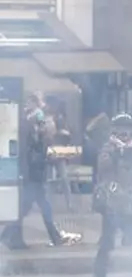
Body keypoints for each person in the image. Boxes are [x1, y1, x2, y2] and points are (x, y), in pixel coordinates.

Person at [0, 94, 81, 249]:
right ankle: (52, 237)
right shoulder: (30, 125)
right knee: (38, 206)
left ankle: (10, 236)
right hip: (34, 173)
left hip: (34, 172)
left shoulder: (27, 123)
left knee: (29, 207)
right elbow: (37, 148)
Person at [93, 114, 132, 277]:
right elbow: (103, 168)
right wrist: (117, 153)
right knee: (107, 244)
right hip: (111, 204)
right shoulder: (109, 149)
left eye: (128, 130)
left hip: (126, 203)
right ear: (115, 131)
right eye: (121, 130)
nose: (125, 134)